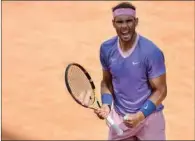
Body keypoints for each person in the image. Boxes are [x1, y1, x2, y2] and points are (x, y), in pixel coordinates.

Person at [94, 2, 167, 140]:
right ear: (113, 23)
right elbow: (107, 82)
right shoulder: (106, 49)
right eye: (120, 22)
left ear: (136, 22)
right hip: (122, 119)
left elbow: (161, 91)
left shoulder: (151, 52)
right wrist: (106, 105)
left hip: (149, 119)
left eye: (129, 21)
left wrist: (140, 115)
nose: (125, 27)